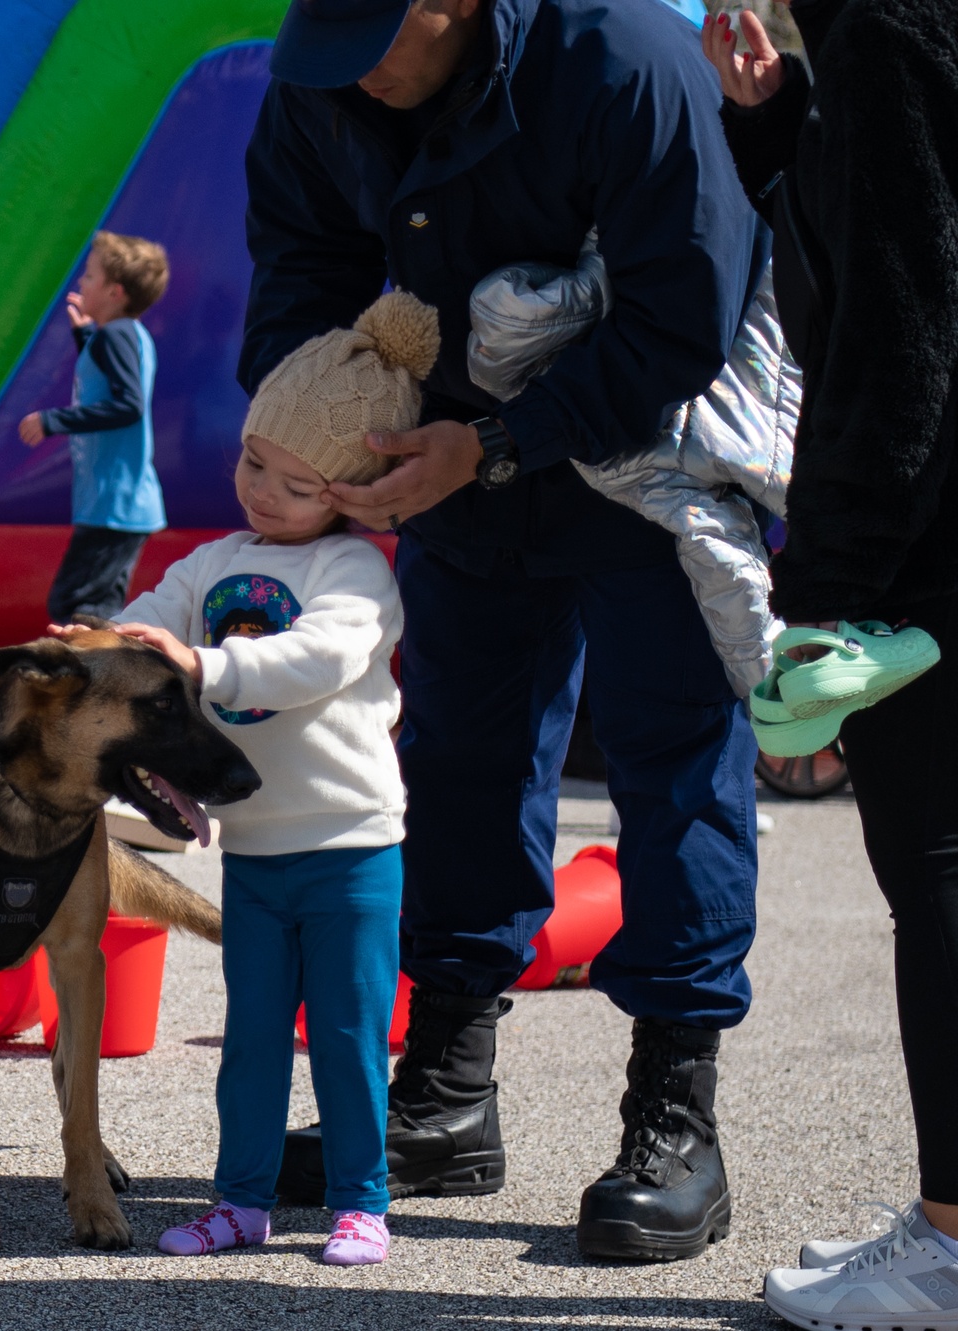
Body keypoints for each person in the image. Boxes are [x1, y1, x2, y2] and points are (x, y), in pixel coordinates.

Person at [248, 0, 768, 1260]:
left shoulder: (623, 61)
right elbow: (299, 265)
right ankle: (440, 1093)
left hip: (641, 461)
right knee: (459, 758)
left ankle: (675, 1114)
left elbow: (682, 312)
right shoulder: (325, 69)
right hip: (446, 463)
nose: (354, 82)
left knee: (672, 760)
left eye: (377, 48)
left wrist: (494, 443)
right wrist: (311, 433)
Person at [702, 4, 958, 1323]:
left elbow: (902, 308)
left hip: (927, 532)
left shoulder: (886, 24)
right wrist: (782, 127)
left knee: (943, 877)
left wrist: (832, 589)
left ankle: (955, 1242)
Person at [110, 291, 432, 1267]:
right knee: (250, 1042)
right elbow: (145, 616)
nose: (261, 491)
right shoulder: (210, 560)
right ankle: (238, 1200)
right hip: (254, 849)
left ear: (342, 493)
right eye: (253, 460)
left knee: (344, 1035)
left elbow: (315, 660)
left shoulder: (356, 572)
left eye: (292, 483)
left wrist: (201, 665)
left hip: (348, 845)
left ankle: (360, 1202)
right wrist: (106, 644)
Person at [19, 231, 170, 623]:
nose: (81, 283)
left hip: (115, 503)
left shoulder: (116, 336)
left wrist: (53, 421)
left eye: (89, 277)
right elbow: (106, 382)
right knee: (93, 606)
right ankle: (102, 679)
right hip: (117, 503)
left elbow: (128, 405)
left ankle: (94, 681)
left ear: (115, 292)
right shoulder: (123, 335)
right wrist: (86, 336)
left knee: (77, 607)